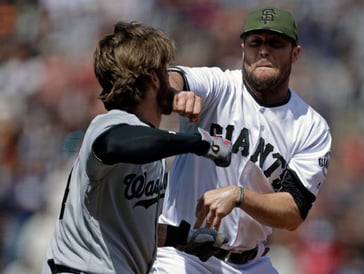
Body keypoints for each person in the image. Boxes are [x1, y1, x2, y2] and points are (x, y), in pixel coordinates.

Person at [41, 21, 231, 274]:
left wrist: (183, 238)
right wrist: (198, 142)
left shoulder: (149, 143)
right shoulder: (110, 125)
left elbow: (127, 227)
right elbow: (115, 144)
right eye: (165, 72)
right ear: (154, 78)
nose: (171, 82)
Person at [153, 6, 332, 274]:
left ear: (295, 53)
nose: (263, 50)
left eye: (276, 43)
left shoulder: (310, 126)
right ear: (243, 49)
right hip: (181, 257)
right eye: (255, 42)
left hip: (251, 263)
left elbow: (294, 211)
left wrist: (240, 196)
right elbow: (175, 77)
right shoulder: (220, 86)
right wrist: (177, 92)